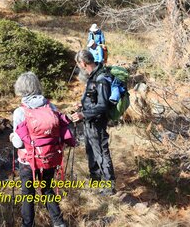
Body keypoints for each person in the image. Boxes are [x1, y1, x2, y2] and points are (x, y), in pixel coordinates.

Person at [9, 72, 75, 227]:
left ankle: (28, 225)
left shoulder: (20, 112)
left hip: (28, 161)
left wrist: (12, 137)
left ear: (20, 89)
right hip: (49, 158)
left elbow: (18, 144)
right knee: (47, 189)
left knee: (28, 195)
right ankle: (59, 223)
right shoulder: (51, 107)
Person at [71, 50, 116, 196]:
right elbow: (93, 99)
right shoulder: (93, 76)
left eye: (79, 64)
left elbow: (103, 105)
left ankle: (109, 186)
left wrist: (82, 114)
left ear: (83, 63)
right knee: (91, 151)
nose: (79, 67)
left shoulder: (101, 78)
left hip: (97, 123)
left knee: (101, 153)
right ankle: (95, 180)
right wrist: (81, 105)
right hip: (89, 122)